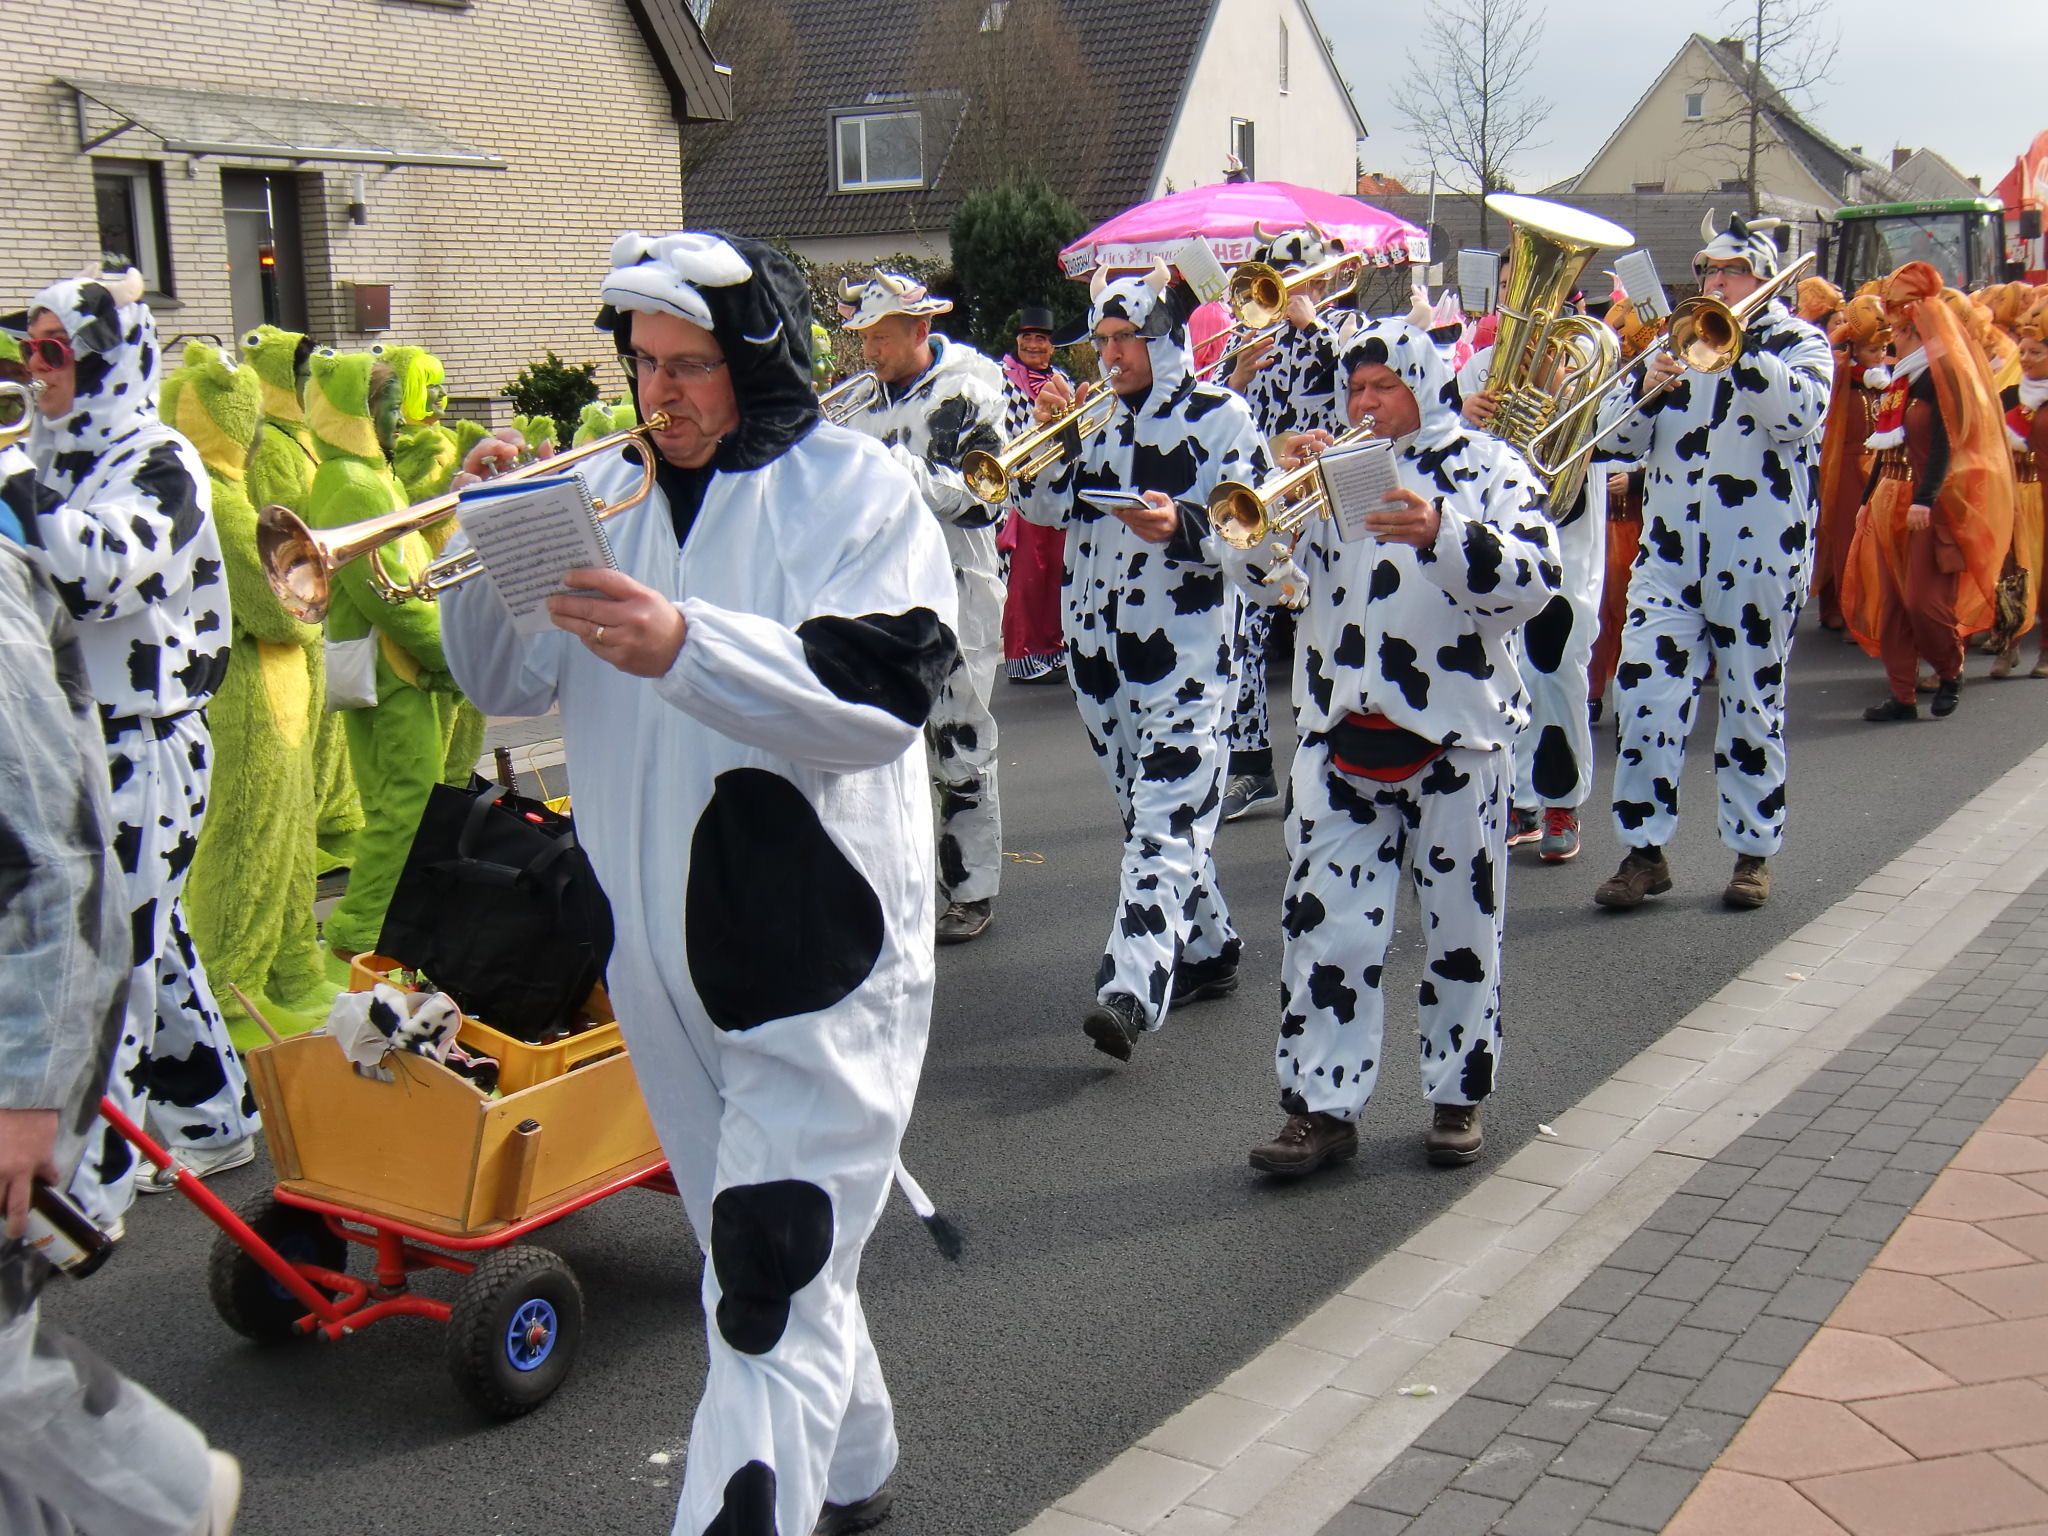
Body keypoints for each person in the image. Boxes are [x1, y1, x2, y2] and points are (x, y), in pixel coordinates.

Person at [441, 230, 954, 1536]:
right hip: (654, 965)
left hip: (820, 963)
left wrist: (683, 644)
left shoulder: (858, 489)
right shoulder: (597, 490)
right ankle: (855, 1473)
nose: (657, 393)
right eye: (644, 364)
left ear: (758, 361)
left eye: (690, 366)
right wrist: (487, 542)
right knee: (763, 1251)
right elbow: (501, 683)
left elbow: (880, 696)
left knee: (765, 1274)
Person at [1219, 312, 1558, 1174]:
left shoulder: (1491, 466)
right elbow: (1271, 589)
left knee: (1462, 933)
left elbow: (1534, 585)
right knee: (1323, 931)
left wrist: (1444, 535)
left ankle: (1457, 1095)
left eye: (1384, 386)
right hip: (1339, 735)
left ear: (1426, 385)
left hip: (1457, 740)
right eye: (1356, 388)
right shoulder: (1334, 475)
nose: (1366, 403)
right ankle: (1319, 1108)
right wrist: (1270, 517)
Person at [0, 440, 244, 1536]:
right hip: (120, 749)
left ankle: (169, 1496)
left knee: (150, 958)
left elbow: (52, 864)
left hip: (154, 739)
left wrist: (29, 1097)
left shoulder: (155, 461)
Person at [5, 265, 258, 1223]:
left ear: (110, 361)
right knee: (150, 938)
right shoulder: (42, 456)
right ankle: (211, 1120)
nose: (34, 370)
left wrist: (14, 487)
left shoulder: (161, 460)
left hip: (141, 741)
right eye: (26, 350)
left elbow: (99, 575)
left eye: (53, 352)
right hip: (61, 734)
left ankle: (84, 1193)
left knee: (106, 961)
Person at [1015, 261, 1266, 1060]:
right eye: (1103, 341)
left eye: (1126, 338)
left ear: (1165, 339)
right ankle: (1210, 948)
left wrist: (1184, 528)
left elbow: (1262, 539)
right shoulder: (1094, 419)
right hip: (1097, 657)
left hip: (1185, 658)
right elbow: (1039, 507)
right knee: (1149, 813)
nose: (1111, 354)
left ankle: (1130, 987)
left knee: (1162, 818)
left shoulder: (1222, 417)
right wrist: (1054, 440)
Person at [1591, 216, 1832, 912]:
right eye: (1707, 271)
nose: (1715, 283)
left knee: (1752, 704)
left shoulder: (1801, 343)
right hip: (1669, 556)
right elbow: (1613, 440)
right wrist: (1648, 388)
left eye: (1730, 271)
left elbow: (1799, 415)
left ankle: (1753, 851)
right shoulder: (1674, 343)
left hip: (1758, 558)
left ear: (1763, 279)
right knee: (1643, 698)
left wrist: (1739, 345)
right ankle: (1644, 852)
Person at [836, 270, 1011, 944]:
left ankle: (970, 889)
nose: (869, 351)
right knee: (885, 747)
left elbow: (985, 497)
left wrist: (895, 471)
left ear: (920, 329)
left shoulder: (973, 388)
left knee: (959, 742)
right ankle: (897, 886)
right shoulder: (858, 400)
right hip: (879, 589)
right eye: (864, 339)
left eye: (881, 338)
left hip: (956, 583)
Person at [1458, 300, 1633, 865]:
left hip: (1566, 536)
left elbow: (1621, 435)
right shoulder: (1479, 368)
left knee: (1556, 669)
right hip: (1497, 537)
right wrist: (1464, 414)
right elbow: (1445, 446)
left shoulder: (1586, 359)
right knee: (1500, 669)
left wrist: (1561, 394)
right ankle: (1517, 798)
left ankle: (1561, 801)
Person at [1219, 230, 1350, 823]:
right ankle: (1251, 768)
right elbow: (1220, 415)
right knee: (1244, 638)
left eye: (1302, 279)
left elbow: (1354, 397)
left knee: (1318, 639)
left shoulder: (1346, 330)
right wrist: (1236, 379)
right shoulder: (1248, 338)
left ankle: (1316, 763)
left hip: (1325, 509)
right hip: (1266, 506)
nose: (1291, 291)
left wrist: (1311, 328)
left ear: (1322, 279)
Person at [1847, 264, 2014, 721]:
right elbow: (1886, 445)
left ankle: (1949, 670)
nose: (1891, 340)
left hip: (1926, 504)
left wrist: (1925, 498)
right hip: (1888, 497)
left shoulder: (1944, 378)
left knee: (1924, 602)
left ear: (1918, 332)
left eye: (1898, 331)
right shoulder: (1901, 378)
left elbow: (1947, 443)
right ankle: (1902, 695)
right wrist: (1866, 501)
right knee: (1893, 606)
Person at [999, 306, 1071, 685]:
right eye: (1027, 337)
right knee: (1026, 577)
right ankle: (1023, 656)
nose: (1033, 344)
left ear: (1051, 347)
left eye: (1040, 339)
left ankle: (1053, 649)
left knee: (1055, 572)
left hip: (1055, 484)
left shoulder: (1062, 380)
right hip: (1018, 489)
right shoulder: (1002, 380)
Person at [1815, 295, 1892, 635]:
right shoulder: (1842, 376)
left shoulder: (1882, 380)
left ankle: (1869, 609)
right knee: (1845, 538)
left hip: (1876, 466)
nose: (1880, 356)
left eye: (1883, 349)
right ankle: (1844, 610)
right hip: (1845, 467)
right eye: (1873, 350)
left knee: (1874, 542)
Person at [2004, 319, 2048, 678]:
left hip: (2044, 493)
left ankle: (2046, 650)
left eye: (2036, 352)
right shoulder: (2009, 393)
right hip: (2011, 493)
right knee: (2009, 571)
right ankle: (2009, 643)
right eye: (2022, 351)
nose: (2026, 358)